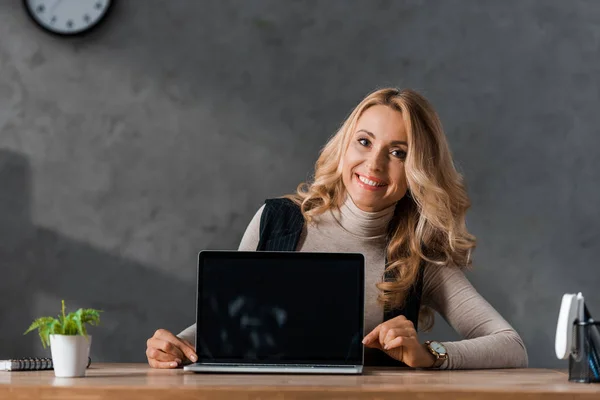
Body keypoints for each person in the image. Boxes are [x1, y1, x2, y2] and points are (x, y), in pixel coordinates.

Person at [146, 88, 528, 370]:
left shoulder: (419, 252)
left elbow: (511, 346)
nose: (375, 163)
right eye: (364, 142)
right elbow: (231, 320)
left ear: (418, 171)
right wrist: (179, 345)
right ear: (345, 146)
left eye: (398, 152)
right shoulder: (275, 220)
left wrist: (430, 355)